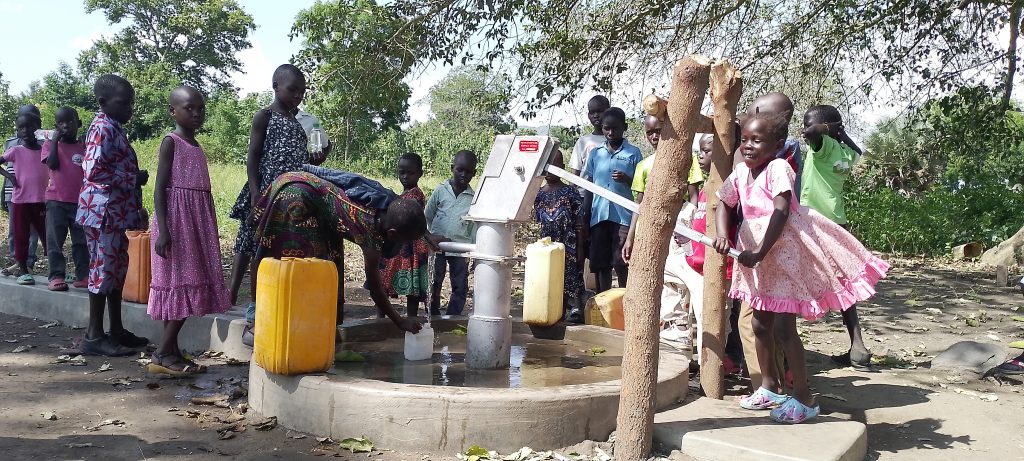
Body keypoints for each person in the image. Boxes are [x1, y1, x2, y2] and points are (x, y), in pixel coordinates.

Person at [711, 112, 889, 423]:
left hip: (782, 256)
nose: (748, 146)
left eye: (757, 141)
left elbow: (781, 210)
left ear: (777, 144)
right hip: (756, 259)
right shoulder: (740, 173)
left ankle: (804, 397)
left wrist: (761, 251)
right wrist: (723, 235)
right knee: (759, 324)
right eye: (745, 140)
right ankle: (769, 387)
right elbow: (725, 203)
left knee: (783, 328)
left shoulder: (778, 168)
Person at [249, 170, 424, 337]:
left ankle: (326, 327)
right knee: (298, 266)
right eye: (405, 241)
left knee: (332, 261)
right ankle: (260, 324)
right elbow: (376, 289)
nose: (404, 246)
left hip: (313, 197)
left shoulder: (386, 205)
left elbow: (409, 215)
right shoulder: (370, 232)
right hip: (297, 194)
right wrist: (400, 322)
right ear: (392, 234)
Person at [227, 64, 327, 329]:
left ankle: (269, 299)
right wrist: (255, 192)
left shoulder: (299, 123)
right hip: (266, 191)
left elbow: (299, 161)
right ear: (275, 86)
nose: (298, 96)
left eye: (302, 92)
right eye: (292, 90)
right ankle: (243, 300)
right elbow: (253, 157)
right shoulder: (264, 116)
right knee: (250, 245)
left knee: (275, 247)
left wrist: (316, 160)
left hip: (289, 196)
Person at [146, 86, 232, 375]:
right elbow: (159, 189)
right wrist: (164, 230)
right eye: (189, 108)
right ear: (173, 111)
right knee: (182, 286)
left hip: (196, 223)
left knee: (187, 285)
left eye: (200, 108)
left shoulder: (196, 144)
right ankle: (161, 353)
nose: (196, 113)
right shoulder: (170, 142)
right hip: (177, 224)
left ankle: (171, 352)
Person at [76, 74, 151, 357]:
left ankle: (116, 330)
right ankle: (94, 336)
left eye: (131, 103)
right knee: (103, 270)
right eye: (123, 103)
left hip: (114, 213)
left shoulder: (113, 127)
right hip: (102, 213)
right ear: (103, 101)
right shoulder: (102, 128)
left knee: (116, 270)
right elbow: (93, 171)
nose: (129, 108)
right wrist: (133, 178)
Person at [800, 104, 872, 368]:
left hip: (814, 222)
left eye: (810, 124)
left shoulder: (825, 147)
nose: (806, 129)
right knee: (843, 284)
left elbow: (812, 134)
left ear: (825, 128)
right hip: (838, 221)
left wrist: (824, 130)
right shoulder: (845, 152)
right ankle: (857, 346)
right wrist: (840, 132)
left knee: (795, 278)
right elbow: (859, 152)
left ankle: (786, 349)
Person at [621, 116, 704, 343]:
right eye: (650, 133)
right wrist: (630, 237)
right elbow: (638, 204)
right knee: (660, 279)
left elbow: (694, 197)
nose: (655, 136)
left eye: (659, 131)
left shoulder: (687, 159)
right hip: (650, 229)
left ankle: (686, 331)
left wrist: (689, 227)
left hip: (680, 227)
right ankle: (669, 331)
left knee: (683, 278)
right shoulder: (644, 165)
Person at [582, 107, 643, 292]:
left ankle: (626, 299)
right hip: (599, 216)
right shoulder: (595, 153)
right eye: (606, 128)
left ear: (624, 127)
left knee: (621, 262)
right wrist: (585, 215)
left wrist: (627, 179)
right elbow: (589, 185)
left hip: (623, 217)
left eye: (614, 128)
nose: (610, 132)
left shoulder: (633, 153)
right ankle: (602, 300)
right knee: (601, 263)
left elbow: (641, 187)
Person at [533, 150, 585, 322]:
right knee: (548, 278)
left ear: (561, 168)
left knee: (569, 278)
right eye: (546, 166)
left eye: (554, 166)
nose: (549, 170)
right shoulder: (538, 194)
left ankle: (572, 311)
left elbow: (579, 223)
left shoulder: (570, 192)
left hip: (568, 246)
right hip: (546, 246)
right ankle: (550, 313)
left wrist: (580, 249)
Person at [426, 150, 478, 316]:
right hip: (438, 246)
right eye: (459, 170)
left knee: (460, 285)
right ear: (452, 168)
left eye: (468, 171)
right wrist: (430, 236)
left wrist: (474, 251)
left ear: (474, 173)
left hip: (461, 249)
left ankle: (452, 317)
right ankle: (433, 315)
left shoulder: (473, 198)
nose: (463, 174)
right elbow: (428, 214)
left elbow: (474, 227)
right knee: (434, 282)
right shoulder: (441, 190)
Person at [42, 107, 89, 291]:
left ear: (79, 124)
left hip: (80, 202)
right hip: (56, 201)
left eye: (70, 122)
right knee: (55, 241)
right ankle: (56, 276)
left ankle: (83, 275)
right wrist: (55, 140)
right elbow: (52, 164)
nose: (65, 126)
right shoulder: (49, 145)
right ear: (56, 127)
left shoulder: (83, 147)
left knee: (81, 241)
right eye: (60, 123)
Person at [379, 152, 431, 317]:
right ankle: (381, 319)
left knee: (411, 288)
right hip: (400, 245)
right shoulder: (402, 195)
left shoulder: (415, 194)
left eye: (410, 173)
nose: (405, 176)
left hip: (411, 247)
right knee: (384, 281)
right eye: (402, 172)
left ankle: (410, 318)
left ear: (420, 174)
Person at [0, 112, 48, 285]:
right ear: (17, 130)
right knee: (21, 235)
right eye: (21, 127)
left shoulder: (45, 150)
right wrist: (10, 177)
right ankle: (23, 270)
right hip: (20, 201)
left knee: (48, 236)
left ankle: (57, 270)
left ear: (38, 127)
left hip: (41, 201)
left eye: (30, 126)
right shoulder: (16, 150)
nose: (26, 130)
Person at [567, 95, 611, 178]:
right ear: (588, 115)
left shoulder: (617, 141)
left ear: (609, 112)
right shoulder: (583, 141)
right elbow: (575, 173)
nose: (595, 115)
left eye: (600, 111)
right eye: (592, 112)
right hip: (584, 186)